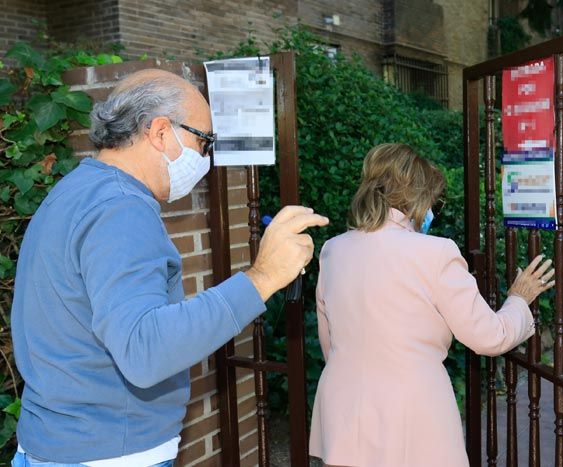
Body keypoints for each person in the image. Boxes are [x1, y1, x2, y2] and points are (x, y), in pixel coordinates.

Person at [10, 69, 328, 467]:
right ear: (160, 132)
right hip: (110, 454)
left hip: (57, 446)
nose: (205, 157)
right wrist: (262, 277)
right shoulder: (120, 208)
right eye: (203, 140)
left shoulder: (74, 191)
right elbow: (146, 351)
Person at [309, 143, 554, 467]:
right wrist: (519, 300)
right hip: (413, 413)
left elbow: (331, 345)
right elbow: (489, 336)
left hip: (345, 412)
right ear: (416, 197)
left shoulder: (332, 251)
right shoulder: (435, 253)